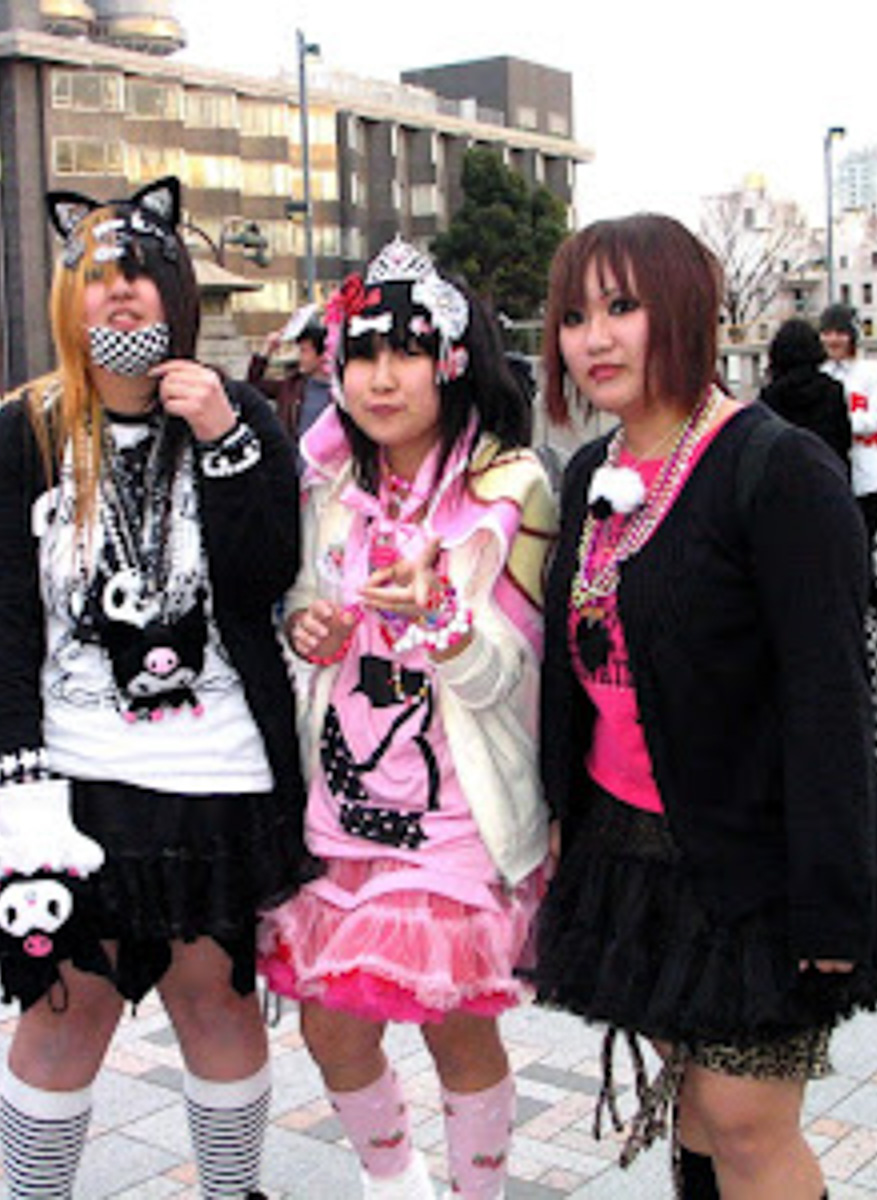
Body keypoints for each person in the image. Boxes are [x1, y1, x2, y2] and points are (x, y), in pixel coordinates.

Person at [530, 215, 877, 1200]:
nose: (594, 338)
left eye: (622, 307)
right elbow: (569, 669)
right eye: (575, 317)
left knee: (747, 1121)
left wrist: (831, 903)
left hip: (759, 862)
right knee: (696, 1103)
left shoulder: (778, 469)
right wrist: (559, 819)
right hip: (629, 855)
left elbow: (828, 701)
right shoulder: (591, 472)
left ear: (684, 312)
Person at [0, 177, 315, 1200]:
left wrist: (223, 439)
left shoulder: (240, 417)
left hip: (216, 769)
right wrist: (20, 786)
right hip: (72, 771)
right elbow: (5, 629)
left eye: (144, 274)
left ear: (177, 295)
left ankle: (233, 1192)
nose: (123, 293)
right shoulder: (27, 433)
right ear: (69, 297)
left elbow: (265, 578)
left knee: (215, 1001)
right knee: (66, 1008)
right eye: (99, 276)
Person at [258, 239, 556, 1200]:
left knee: (456, 1026)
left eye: (406, 353)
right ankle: (395, 1185)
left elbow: (509, 680)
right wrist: (306, 626)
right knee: (330, 1025)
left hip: (459, 806)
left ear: (452, 361)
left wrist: (440, 618)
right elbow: (306, 601)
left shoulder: (511, 492)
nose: (380, 379)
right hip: (343, 800)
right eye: (361, 355)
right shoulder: (326, 481)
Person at [818, 304, 877, 549]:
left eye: (840, 333)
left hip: (866, 475)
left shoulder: (875, 374)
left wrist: (837, 422)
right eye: (827, 333)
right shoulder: (818, 374)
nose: (833, 340)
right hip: (828, 474)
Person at [757, 318, 850, 470]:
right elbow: (844, 439)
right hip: (827, 471)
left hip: (785, 473)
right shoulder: (832, 389)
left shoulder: (770, 395)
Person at [246, 304, 333, 444]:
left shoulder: (341, 392)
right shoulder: (291, 387)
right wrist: (266, 350)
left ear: (322, 355)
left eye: (304, 351)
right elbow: (253, 386)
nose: (300, 357)